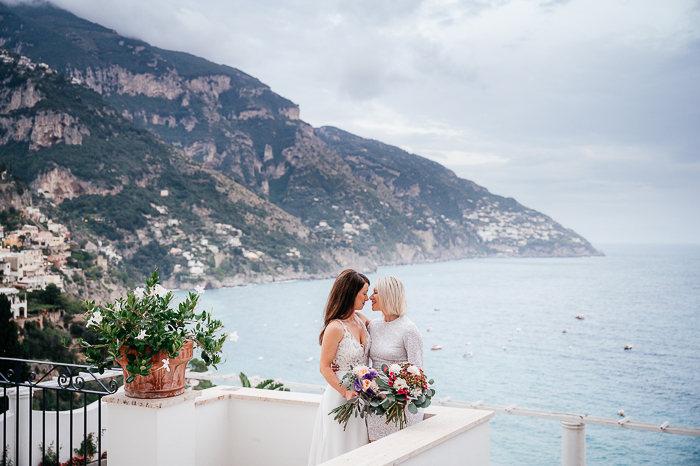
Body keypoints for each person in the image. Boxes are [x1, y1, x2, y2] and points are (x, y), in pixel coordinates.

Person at [307, 269, 372, 465]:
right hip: (340, 398)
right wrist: (346, 391)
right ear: (351, 293)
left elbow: (384, 329)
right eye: (364, 293)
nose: (367, 298)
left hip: (363, 398)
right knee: (339, 451)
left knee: (359, 450)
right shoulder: (335, 328)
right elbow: (324, 367)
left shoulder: (361, 319)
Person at [366, 276, 424, 441]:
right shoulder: (373, 326)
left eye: (375, 293)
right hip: (375, 405)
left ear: (387, 295)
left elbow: (418, 374)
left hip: (400, 408)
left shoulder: (409, 330)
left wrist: (400, 400)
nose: (370, 297)